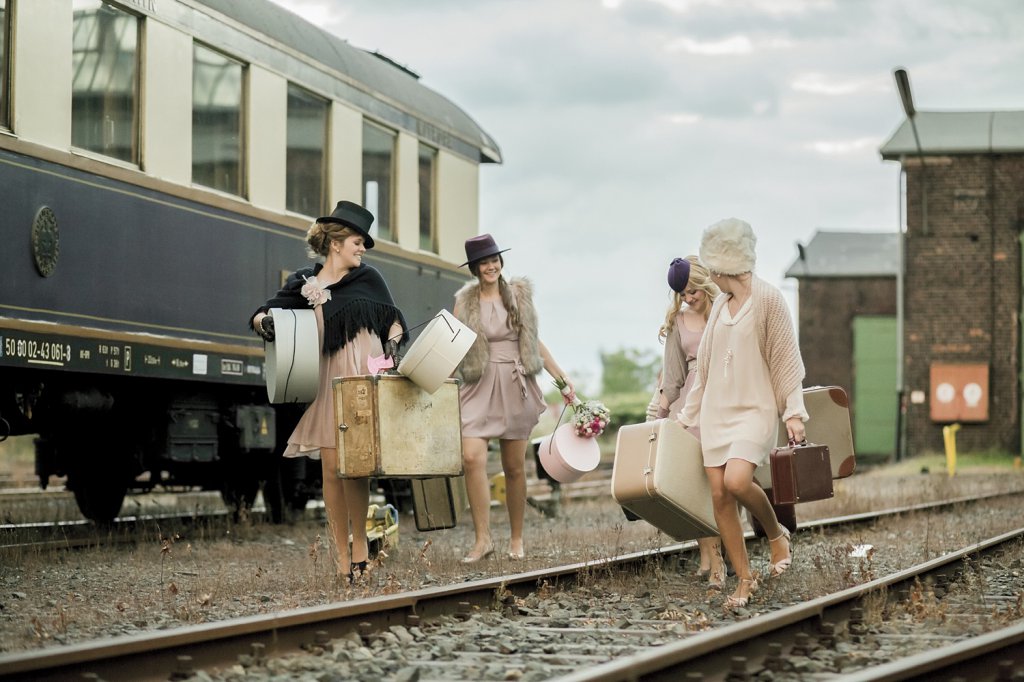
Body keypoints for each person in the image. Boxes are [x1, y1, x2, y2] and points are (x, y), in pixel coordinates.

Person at [250, 200, 407, 582]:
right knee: (334, 470)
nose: (363, 249)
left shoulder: (370, 278)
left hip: (365, 382)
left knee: (358, 469)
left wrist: (394, 343)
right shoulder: (305, 283)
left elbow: (394, 319)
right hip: (331, 383)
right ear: (336, 243)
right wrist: (264, 323)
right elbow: (262, 312)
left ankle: (359, 550)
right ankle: (341, 557)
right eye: (358, 241)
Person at [679, 218, 806, 609]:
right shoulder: (719, 305)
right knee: (719, 496)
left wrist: (794, 412)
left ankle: (775, 534)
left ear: (721, 267)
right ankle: (745, 580)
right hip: (717, 412)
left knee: (737, 481)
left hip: (755, 409)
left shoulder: (768, 300)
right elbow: (705, 366)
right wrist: (689, 415)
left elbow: (785, 360)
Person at [453, 234, 575, 563]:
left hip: (514, 381)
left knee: (514, 467)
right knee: (471, 458)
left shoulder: (518, 296)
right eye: (483, 262)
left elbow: (535, 341)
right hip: (478, 384)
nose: (490, 266)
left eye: (494, 259)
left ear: (500, 263)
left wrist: (561, 379)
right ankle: (482, 540)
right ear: (475, 268)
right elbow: (453, 342)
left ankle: (517, 539)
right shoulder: (465, 302)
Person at [656, 256, 726, 589]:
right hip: (691, 405)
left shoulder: (725, 313)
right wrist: (660, 411)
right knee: (695, 484)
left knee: (718, 483)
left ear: (704, 283)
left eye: (691, 291)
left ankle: (717, 559)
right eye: (682, 294)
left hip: (724, 397)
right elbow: (673, 376)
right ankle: (712, 560)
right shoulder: (678, 323)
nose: (688, 299)